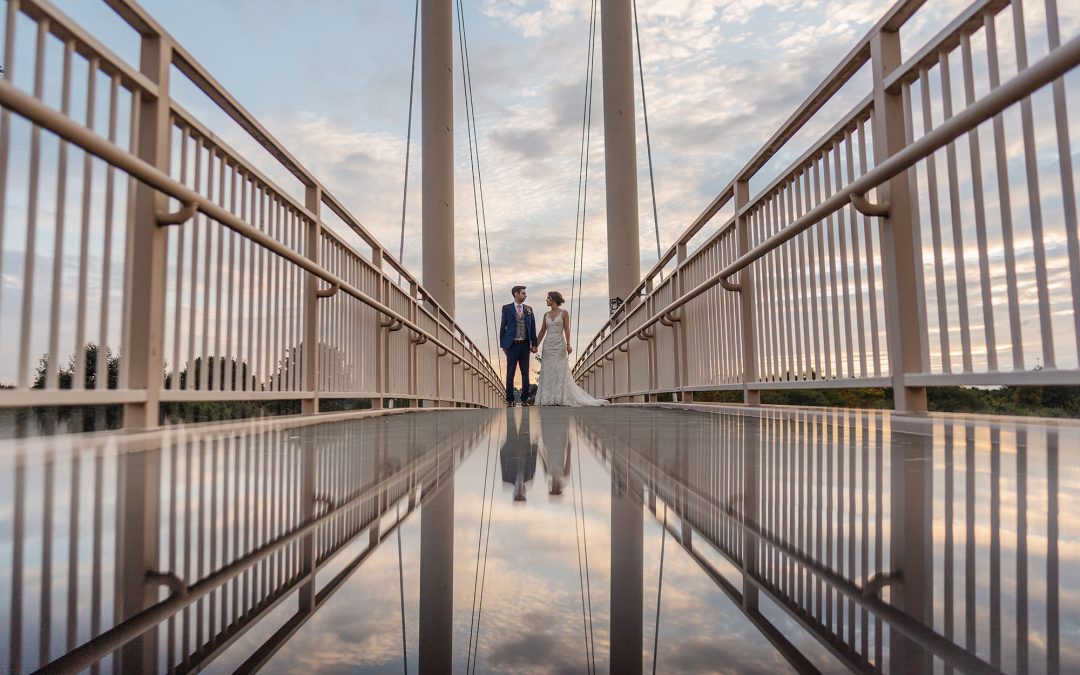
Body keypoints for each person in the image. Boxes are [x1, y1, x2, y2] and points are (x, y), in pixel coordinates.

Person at [534, 291, 608, 406]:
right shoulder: (546, 315)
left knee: (559, 370)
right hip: (548, 345)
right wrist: (535, 345)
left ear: (554, 299)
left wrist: (568, 345)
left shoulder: (564, 313)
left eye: (548, 298)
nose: (546, 300)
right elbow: (542, 331)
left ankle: (560, 397)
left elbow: (567, 329)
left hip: (559, 345)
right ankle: (548, 398)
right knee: (547, 370)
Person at [499, 286, 538, 407]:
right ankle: (510, 400)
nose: (525, 295)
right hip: (512, 345)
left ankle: (524, 399)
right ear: (516, 294)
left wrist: (534, 344)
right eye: (523, 293)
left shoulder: (528, 309)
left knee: (525, 374)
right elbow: (502, 326)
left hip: (525, 346)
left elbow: (532, 327)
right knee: (510, 374)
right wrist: (503, 344)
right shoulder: (506, 308)